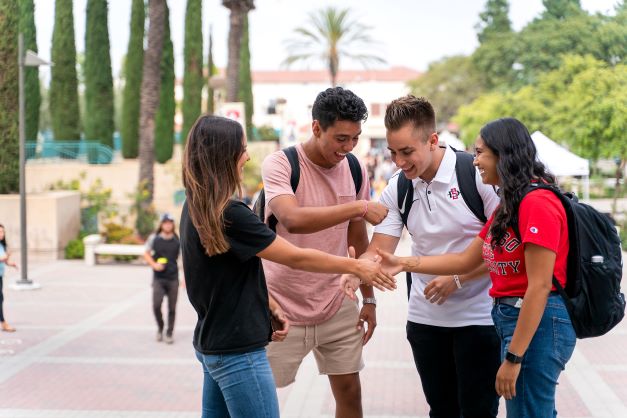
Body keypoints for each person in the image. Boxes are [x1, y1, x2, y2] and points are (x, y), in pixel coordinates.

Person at [350, 117, 576, 417]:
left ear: (504, 155)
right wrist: (402, 263)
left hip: (534, 320)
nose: (475, 160)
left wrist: (513, 356)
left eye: (480, 153)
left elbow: (540, 285)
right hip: (506, 318)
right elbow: (466, 259)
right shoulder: (510, 204)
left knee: (526, 411)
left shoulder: (535, 203)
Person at [179, 114, 395, 418]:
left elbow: (224, 277)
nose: (247, 156)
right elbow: (295, 255)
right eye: (241, 150)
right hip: (239, 351)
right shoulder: (231, 214)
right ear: (224, 155)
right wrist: (357, 267)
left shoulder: (195, 206)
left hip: (212, 344)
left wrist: (267, 303)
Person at [350, 95, 501, 417]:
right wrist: (354, 269)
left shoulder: (476, 177)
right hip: (425, 321)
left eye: (407, 152)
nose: (399, 161)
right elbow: (380, 250)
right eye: (392, 152)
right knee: (441, 411)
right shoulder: (399, 187)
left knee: (478, 411)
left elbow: (502, 249)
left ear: (432, 140)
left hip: (480, 318)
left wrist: (460, 279)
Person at [260, 86, 389, 418]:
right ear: (317, 127)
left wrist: (369, 299)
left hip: (338, 301)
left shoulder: (355, 168)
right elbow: (293, 219)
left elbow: (358, 238)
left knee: (350, 393)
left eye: (355, 139)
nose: (347, 148)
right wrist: (358, 206)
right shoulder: (281, 163)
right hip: (279, 305)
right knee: (260, 399)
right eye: (340, 138)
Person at [144, 213, 181, 344]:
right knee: (156, 305)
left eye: (170, 222)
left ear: (173, 224)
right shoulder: (153, 238)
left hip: (173, 278)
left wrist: (185, 280)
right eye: (165, 222)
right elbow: (146, 253)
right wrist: (154, 264)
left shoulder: (178, 241)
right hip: (158, 279)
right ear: (161, 224)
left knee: (172, 308)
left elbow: (183, 261)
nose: (167, 224)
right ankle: (160, 327)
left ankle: (169, 333)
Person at [0, 224, 18, 332]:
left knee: (1, 298)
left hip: (0, 275)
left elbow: (4, 261)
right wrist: (7, 256)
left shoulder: (2, 245)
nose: (1, 234)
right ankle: (3, 322)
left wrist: (11, 264)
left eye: (2, 232)